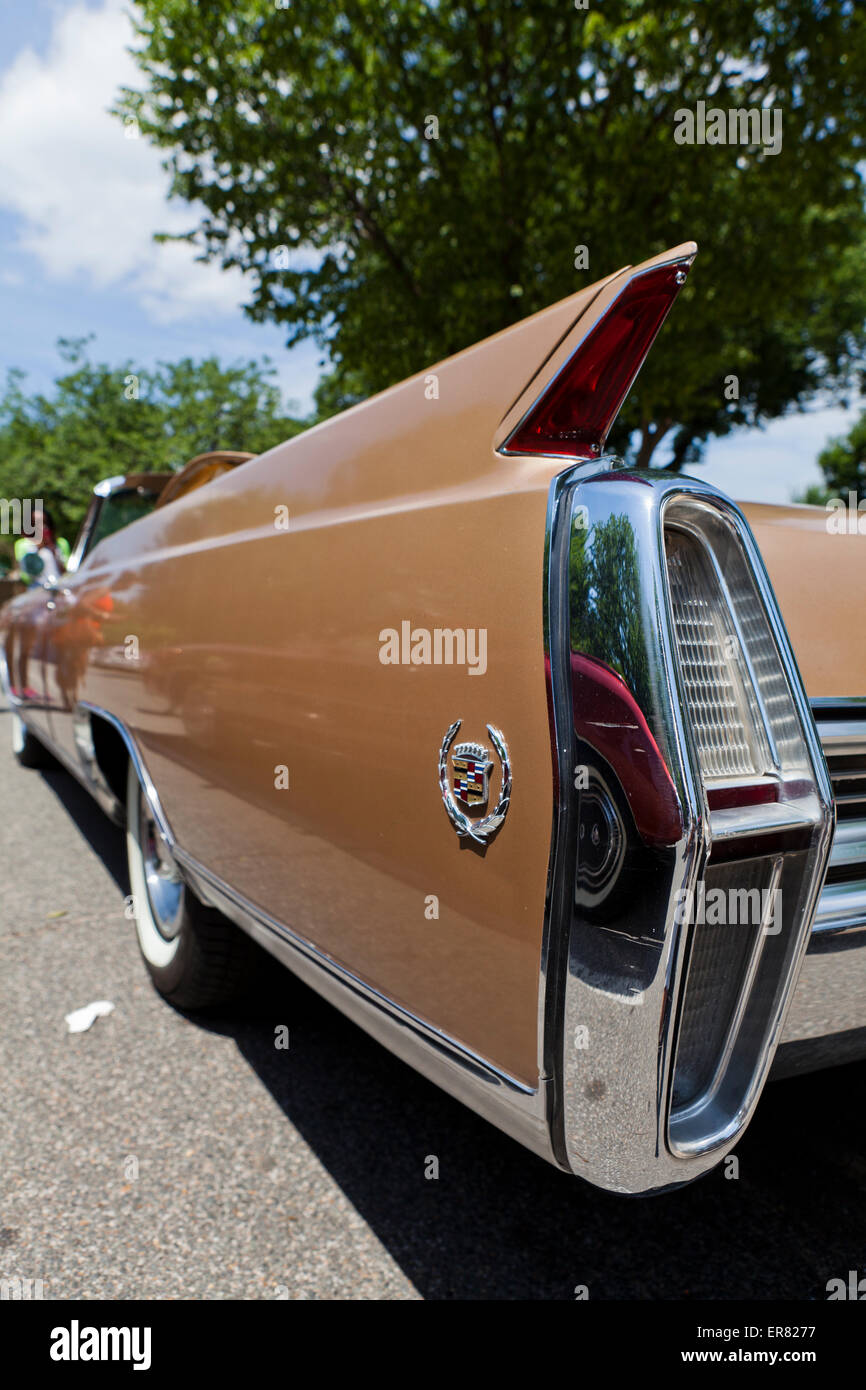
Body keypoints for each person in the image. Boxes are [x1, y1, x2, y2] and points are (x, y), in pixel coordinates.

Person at [14, 505, 71, 585]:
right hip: (37, 592)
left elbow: (69, 573)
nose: (42, 526)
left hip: (61, 588)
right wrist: (38, 549)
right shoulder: (22, 545)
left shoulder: (61, 543)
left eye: (44, 522)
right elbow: (26, 577)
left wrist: (53, 550)